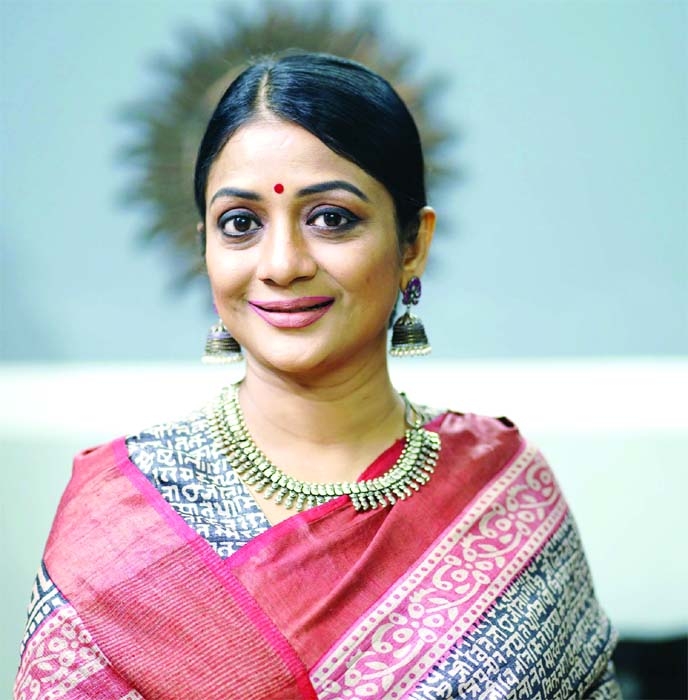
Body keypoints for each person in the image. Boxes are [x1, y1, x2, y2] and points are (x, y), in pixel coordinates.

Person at [14, 52, 620, 699]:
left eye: (331, 217)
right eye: (241, 224)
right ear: (205, 246)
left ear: (413, 244)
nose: (282, 264)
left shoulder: (501, 491)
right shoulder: (121, 517)